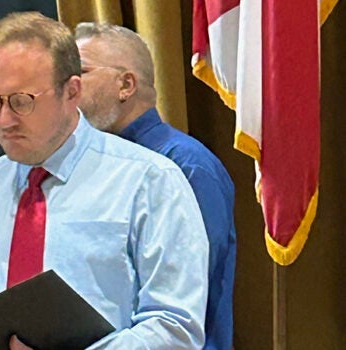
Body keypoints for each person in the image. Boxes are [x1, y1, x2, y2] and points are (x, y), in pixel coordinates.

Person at [0, 12, 209, 349]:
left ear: (72, 92)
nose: (5, 119)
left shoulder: (149, 182)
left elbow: (175, 327)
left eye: (22, 101)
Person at [75, 22, 237, 350]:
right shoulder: (82, 167)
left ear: (126, 85)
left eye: (80, 73)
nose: (68, 88)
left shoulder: (188, 166)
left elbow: (186, 290)